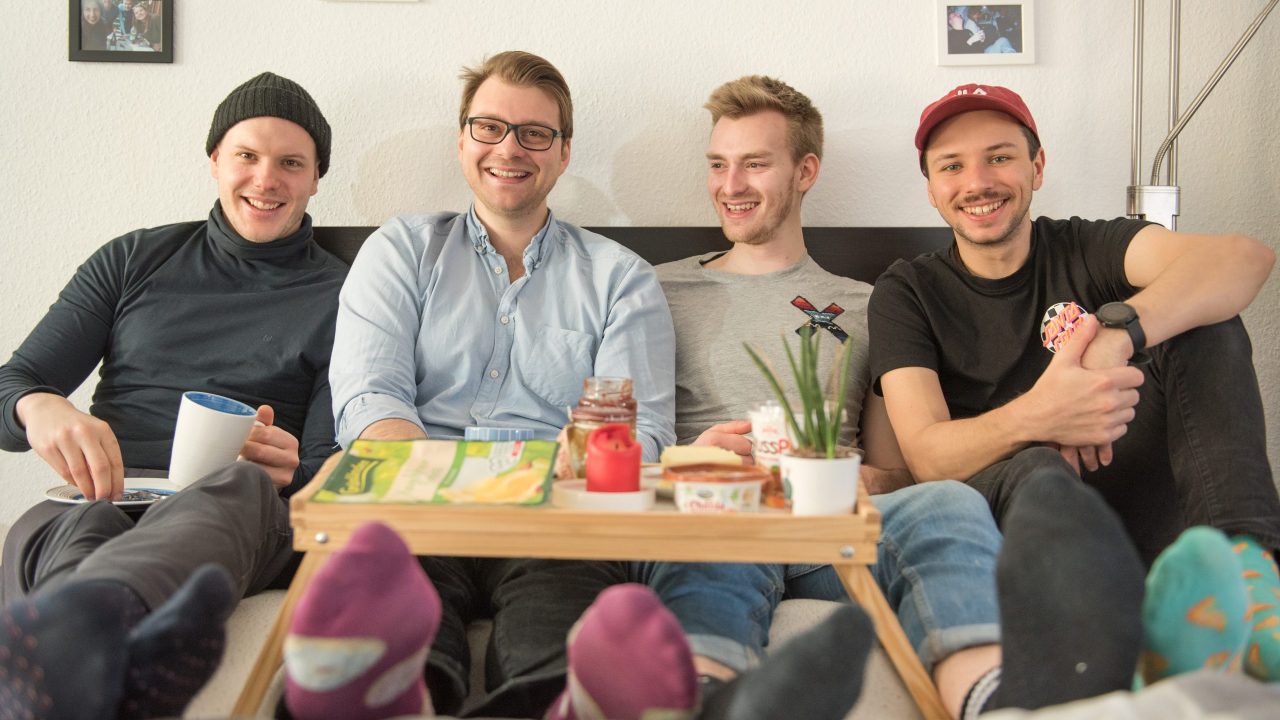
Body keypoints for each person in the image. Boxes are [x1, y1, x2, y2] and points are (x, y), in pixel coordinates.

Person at [628, 75, 1148, 719]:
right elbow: (616, 446)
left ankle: (994, 699)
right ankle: (708, 698)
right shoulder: (650, 290)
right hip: (713, 505)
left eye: (755, 164)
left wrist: (863, 477)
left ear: (805, 171)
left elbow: (902, 464)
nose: (731, 186)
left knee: (948, 502)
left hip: (834, 525)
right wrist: (687, 462)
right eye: (719, 165)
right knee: (716, 543)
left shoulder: (872, 302)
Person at [870, 84, 1280, 680]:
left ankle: (1247, 579)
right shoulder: (906, 291)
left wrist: (1117, 338)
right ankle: (1098, 639)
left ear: (1037, 167)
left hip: (1123, 477)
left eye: (1000, 156)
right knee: (1037, 466)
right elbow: (929, 456)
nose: (977, 180)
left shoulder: (1091, 245)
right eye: (952, 166)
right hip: (1014, 507)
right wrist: (1044, 414)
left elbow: (1243, 259)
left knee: (1205, 324)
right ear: (932, 188)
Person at [312, 50, 675, 718]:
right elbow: (369, 398)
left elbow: (641, 433)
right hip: (416, 510)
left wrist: (547, 479)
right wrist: (450, 486)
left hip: (557, 525)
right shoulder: (400, 251)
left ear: (564, 154)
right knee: (392, 650)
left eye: (535, 133)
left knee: (555, 667)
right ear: (461, 142)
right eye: (489, 127)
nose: (510, 148)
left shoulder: (622, 278)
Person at [0, 71, 347, 718]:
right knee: (79, 521)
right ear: (215, 160)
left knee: (238, 486)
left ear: (315, 178)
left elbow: (332, 467)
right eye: (246, 156)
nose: (266, 179)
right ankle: (97, 667)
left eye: (290, 163)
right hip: (107, 492)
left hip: (238, 511)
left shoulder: (344, 295)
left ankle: (80, 638)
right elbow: (12, 386)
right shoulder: (133, 259)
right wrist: (38, 405)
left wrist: (292, 467)